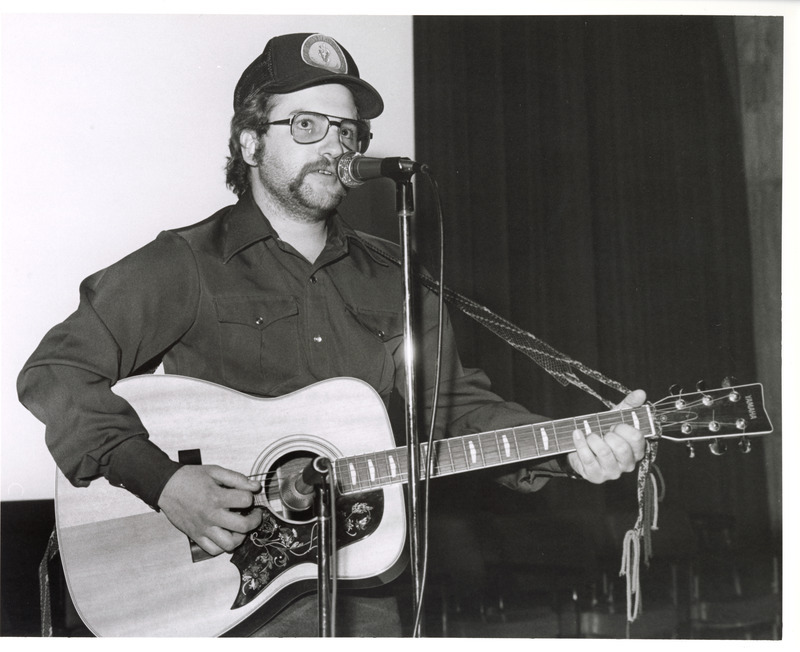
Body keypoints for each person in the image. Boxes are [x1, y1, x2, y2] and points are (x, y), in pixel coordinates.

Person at [17, 32, 646, 637]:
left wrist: (569, 448)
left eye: (347, 131)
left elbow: (452, 410)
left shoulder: (399, 275)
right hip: (215, 601)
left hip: (360, 591)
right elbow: (56, 373)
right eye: (306, 125)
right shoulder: (186, 263)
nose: (334, 146)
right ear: (250, 143)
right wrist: (164, 482)